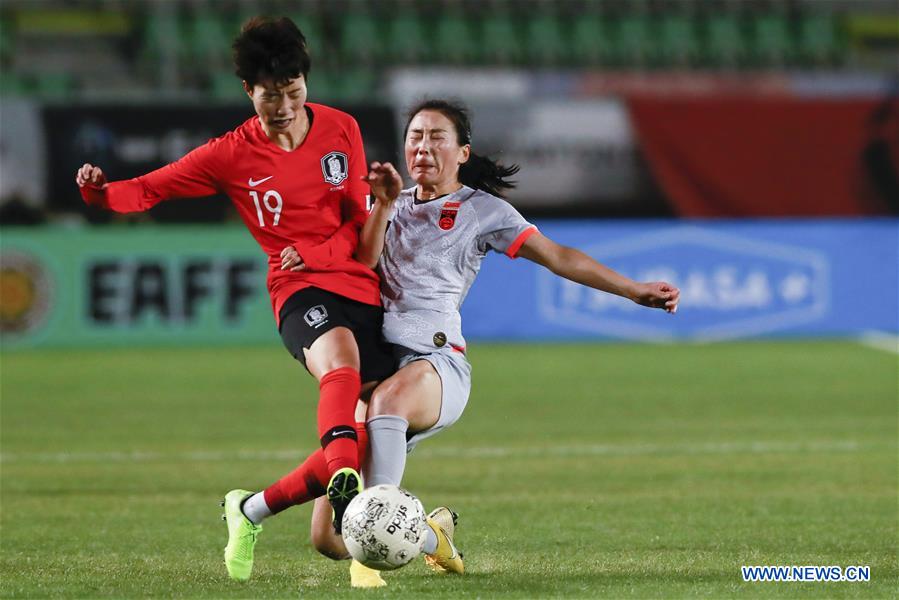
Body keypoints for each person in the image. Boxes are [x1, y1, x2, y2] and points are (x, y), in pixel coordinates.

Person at [74, 16, 401, 584]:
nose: (283, 108)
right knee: (340, 364)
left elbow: (356, 224)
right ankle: (353, 496)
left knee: (372, 422)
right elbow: (152, 186)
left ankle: (249, 509)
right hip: (297, 289)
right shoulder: (231, 155)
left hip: (355, 283)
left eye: (293, 93)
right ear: (248, 91)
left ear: (305, 84)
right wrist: (99, 194)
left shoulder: (341, 128)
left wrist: (362, 221)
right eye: (270, 97)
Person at [298, 98, 682, 577]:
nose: (423, 146)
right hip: (379, 366)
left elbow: (557, 255)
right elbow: (362, 262)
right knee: (328, 539)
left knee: (388, 405)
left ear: (463, 152)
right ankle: (428, 535)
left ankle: (370, 555)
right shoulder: (389, 201)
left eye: (437, 136)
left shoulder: (481, 211)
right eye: (415, 136)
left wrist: (632, 289)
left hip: (436, 364)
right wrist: (378, 206)